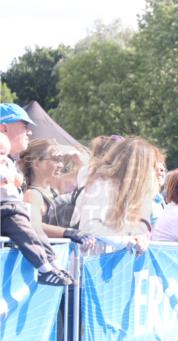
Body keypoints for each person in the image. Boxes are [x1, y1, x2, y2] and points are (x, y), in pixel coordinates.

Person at [0, 117, 74, 286]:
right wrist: (67, 232)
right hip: (9, 210)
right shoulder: (33, 194)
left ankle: (52, 264)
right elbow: (36, 224)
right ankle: (46, 267)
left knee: (30, 227)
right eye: (55, 158)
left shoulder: (10, 165)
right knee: (27, 226)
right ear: (37, 164)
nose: (60, 164)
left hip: (14, 209)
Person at [72, 136, 162, 253]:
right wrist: (126, 241)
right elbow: (90, 226)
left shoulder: (120, 188)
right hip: (90, 259)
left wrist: (137, 237)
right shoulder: (102, 185)